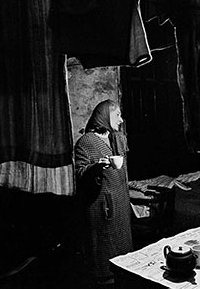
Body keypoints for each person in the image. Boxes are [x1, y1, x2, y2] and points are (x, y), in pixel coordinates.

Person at [74, 99, 132, 286]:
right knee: (105, 247)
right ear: (104, 117)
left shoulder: (117, 137)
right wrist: (96, 167)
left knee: (123, 244)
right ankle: (103, 279)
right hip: (102, 204)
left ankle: (123, 275)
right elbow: (80, 173)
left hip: (121, 199)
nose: (121, 120)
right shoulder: (86, 142)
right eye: (117, 115)